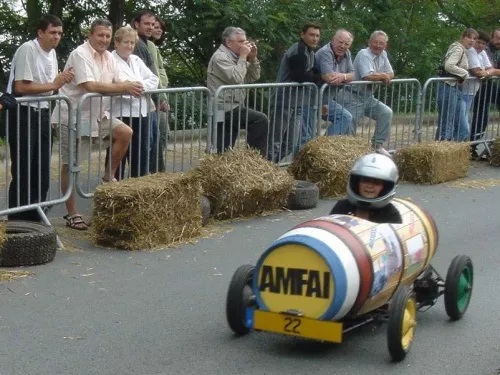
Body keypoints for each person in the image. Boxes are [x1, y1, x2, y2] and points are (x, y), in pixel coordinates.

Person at [51, 19, 143, 230]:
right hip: (73, 116)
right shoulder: (80, 54)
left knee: (125, 132)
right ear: (90, 35)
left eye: (107, 36)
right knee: (72, 165)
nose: (104, 40)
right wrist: (126, 87)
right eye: (100, 35)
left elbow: (121, 80)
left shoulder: (109, 57)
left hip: (98, 114)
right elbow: (89, 85)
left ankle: (108, 175)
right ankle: (72, 213)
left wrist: (131, 85)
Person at [6, 14, 74, 222]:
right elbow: (21, 87)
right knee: (25, 169)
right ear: (40, 33)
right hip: (24, 113)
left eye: (59, 33)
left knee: (42, 170)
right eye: (52, 32)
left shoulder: (51, 53)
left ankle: (37, 217)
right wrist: (55, 84)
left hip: (42, 112)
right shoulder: (28, 49)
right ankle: (19, 221)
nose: (56, 37)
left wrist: (56, 83)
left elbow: (49, 87)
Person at [207, 26, 269, 158]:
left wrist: (252, 58)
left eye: (245, 41)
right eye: (240, 42)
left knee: (223, 149)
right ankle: (253, 159)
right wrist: (243, 57)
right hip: (224, 108)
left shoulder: (236, 57)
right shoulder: (220, 57)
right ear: (229, 43)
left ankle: (248, 161)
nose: (245, 45)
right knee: (260, 120)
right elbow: (236, 78)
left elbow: (253, 76)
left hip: (234, 107)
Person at [109, 26, 159, 179]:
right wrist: (129, 86)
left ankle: (139, 188)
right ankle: (114, 187)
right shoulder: (110, 60)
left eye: (132, 43)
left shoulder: (136, 60)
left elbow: (154, 79)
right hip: (120, 113)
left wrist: (137, 86)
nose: (129, 46)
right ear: (116, 43)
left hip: (141, 112)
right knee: (119, 155)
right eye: (125, 42)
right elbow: (117, 82)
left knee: (141, 153)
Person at [270, 23, 322, 162]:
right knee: (275, 141)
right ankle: (267, 169)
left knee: (290, 144)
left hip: (299, 103)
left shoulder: (310, 52)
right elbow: (300, 76)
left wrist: (318, 75)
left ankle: (272, 167)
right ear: (302, 35)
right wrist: (321, 77)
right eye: (311, 35)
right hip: (284, 101)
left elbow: (312, 73)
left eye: (317, 36)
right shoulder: (298, 50)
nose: (315, 38)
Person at [343, 30, 395, 158]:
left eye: (381, 43)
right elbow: (367, 76)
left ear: (385, 45)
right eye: (375, 42)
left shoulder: (383, 54)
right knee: (350, 121)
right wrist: (383, 76)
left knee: (386, 112)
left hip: (368, 96)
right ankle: (347, 151)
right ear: (369, 42)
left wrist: (384, 75)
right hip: (353, 95)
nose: (378, 45)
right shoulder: (363, 54)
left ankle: (377, 146)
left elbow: (391, 73)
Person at [130, 10, 168, 173]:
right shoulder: (137, 44)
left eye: (153, 24)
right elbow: (146, 77)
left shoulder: (146, 43)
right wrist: (159, 98)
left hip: (149, 101)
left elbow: (154, 74)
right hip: (142, 103)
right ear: (136, 24)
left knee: (153, 143)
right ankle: (150, 179)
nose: (151, 27)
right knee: (147, 145)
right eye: (147, 24)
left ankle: (155, 177)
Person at [330, 152, 402, 224]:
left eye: (376, 182)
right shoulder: (342, 206)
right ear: (356, 183)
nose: (370, 186)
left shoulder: (391, 215)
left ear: (385, 188)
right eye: (365, 180)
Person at [435, 28, 478, 142]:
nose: (471, 41)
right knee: (447, 125)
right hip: (447, 87)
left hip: (454, 88)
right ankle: (442, 150)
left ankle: (451, 150)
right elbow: (449, 65)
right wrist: (464, 74)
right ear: (463, 37)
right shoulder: (458, 49)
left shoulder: (463, 50)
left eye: (474, 39)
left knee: (462, 128)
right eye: (469, 37)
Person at [314, 28, 355, 136]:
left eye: (346, 44)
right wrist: (346, 77)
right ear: (333, 40)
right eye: (340, 42)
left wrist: (343, 76)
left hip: (325, 100)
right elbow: (329, 77)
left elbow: (353, 74)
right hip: (311, 100)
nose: (343, 46)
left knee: (345, 117)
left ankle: (323, 147)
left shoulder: (347, 53)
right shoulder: (325, 52)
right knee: (306, 135)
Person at [465, 31, 499, 157]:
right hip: (476, 89)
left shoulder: (485, 51)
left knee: (480, 117)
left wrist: (492, 72)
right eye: (497, 38)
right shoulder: (479, 50)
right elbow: (479, 72)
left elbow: (489, 70)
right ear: (492, 38)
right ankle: (468, 148)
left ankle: (471, 147)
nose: (499, 41)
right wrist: (492, 72)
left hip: (484, 86)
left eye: (482, 43)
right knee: (468, 120)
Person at [149, 16, 170, 172]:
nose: (158, 30)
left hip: (159, 97)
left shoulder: (154, 47)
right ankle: (158, 172)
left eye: (160, 27)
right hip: (156, 99)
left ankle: (158, 171)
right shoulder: (148, 46)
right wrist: (161, 98)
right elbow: (154, 74)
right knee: (158, 138)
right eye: (154, 26)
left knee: (161, 137)